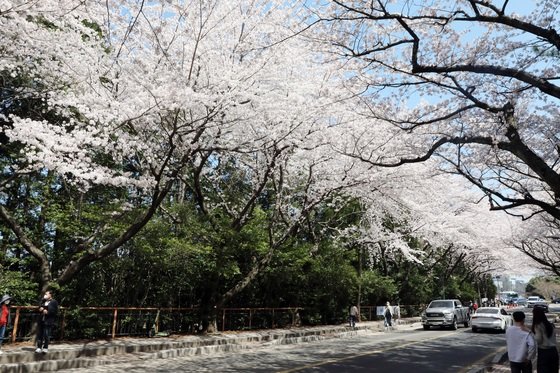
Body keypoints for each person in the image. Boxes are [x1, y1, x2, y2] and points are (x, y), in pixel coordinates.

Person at [531, 306, 559, 373]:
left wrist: (531, 336)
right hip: (553, 351)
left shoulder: (538, 325)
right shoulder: (550, 325)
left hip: (544, 351)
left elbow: (539, 339)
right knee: (553, 370)